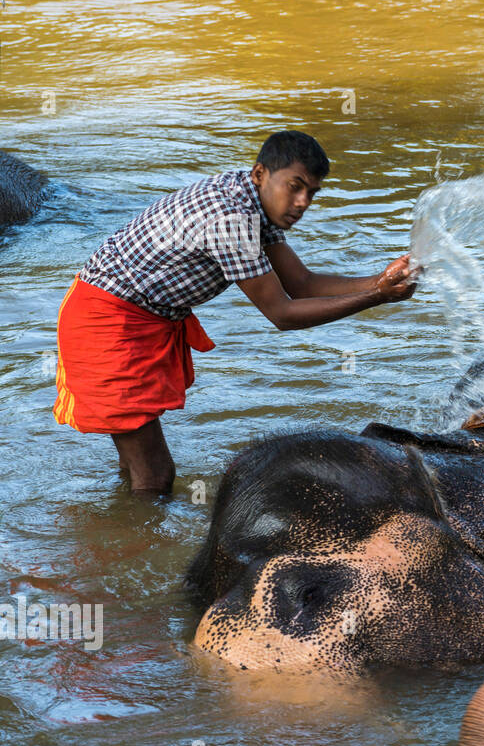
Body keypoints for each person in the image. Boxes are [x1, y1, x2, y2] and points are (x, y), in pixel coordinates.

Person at [52, 130, 418, 495]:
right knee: (156, 476)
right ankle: (140, 547)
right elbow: (282, 313)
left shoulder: (253, 202)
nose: (303, 202)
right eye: (295, 186)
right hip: (108, 322)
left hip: (128, 314)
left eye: (312, 193)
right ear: (260, 174)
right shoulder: (233, 219)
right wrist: (376, 297)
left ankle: (118, 529)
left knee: (136, 465)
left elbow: (302, 283)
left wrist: (381, 281)